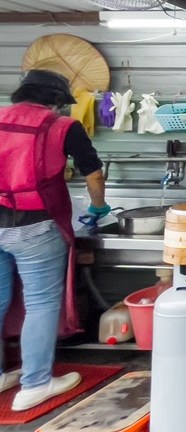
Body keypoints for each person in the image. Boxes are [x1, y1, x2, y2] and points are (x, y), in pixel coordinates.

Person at [0, 70, 109, 411]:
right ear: (57, 101)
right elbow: (93, 172)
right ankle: (35, 383)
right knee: (41, 303)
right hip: (34, 226)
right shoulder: (62, 126)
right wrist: (98, 206)